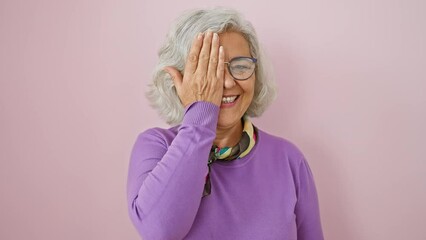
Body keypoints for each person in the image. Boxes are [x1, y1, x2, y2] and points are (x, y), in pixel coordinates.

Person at [127, 7, 324, 240]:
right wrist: (200, 114)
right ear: (179, 79)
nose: (228, 82)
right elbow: (158, 231)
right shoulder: (155, 145)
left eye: (241, 66)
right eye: (211, 70)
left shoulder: (289, 159)